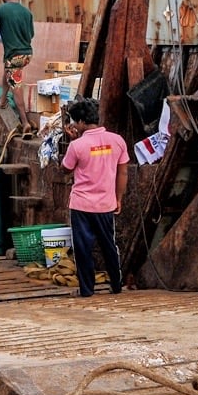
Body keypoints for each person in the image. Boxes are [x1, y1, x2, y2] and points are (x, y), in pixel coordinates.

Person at [60, 98, 128, 298]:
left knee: (83, 248)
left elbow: (65, 169)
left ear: (81, 122)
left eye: (74, 121)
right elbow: (123, 173)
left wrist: (72, 142)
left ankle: (87, 290)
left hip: (81, 205)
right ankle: (116, 285)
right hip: (106, 204)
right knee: (109, 245)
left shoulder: (77, 145)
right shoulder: (117, 141)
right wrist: (119, 198)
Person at [0, 0, 34, 133]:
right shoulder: (27, 12)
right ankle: (2, 100)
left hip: (13, 55)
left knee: (16, 87)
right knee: (7, 73)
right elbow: (31, 34)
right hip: (27, 54)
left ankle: (25, 122)